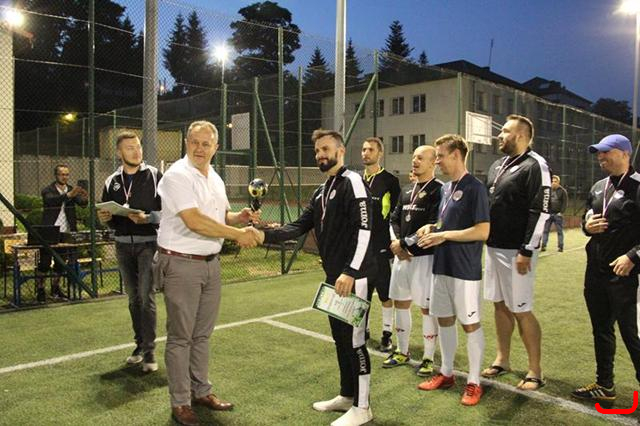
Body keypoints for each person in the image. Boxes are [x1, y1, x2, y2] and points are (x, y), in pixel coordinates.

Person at [254, 129, 376, 426]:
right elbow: (298, 226)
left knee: (355, 342)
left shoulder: (353, 182)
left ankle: (363, 408)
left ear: (340, 151)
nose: (321, 154)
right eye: (317, 151)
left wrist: (350, 271)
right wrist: (262, 234)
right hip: (334, 278)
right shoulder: (321, 191)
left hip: (354, 277)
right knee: (340, 339)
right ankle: (347, 395)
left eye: (326, 149)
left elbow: (364, 231)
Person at [154, 121, 260, 426]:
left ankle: (201, 392)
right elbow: (195, 221)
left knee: (202, 334)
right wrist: (238, 234)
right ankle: (180, 402)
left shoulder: (214, 176)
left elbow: (219, 215)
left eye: (206, 144)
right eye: (194, 142)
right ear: (186, 143)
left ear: (216, 147)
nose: (199, 149)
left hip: (210, 264)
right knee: (181, 337)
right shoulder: (176, 175)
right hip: (181, 263)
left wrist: (238, 217)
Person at [415, 134, 490, 406]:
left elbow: (482, 231)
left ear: (456, 155)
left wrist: (444, 235)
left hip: (464, 270)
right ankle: (446, 373)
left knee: (470, 324)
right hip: (441, 266)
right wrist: (432, 227)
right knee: (444, 320)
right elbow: (446, 223)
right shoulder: (446, 188)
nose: (437, 161)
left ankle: (474, 382)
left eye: (441, 156)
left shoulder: (476, 188)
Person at [482, 114, 551, 391]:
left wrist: (527, 249)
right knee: (499, 305)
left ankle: (535, 371)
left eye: (505, 131)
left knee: (521, 309)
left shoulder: (535, 165)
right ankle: (503, 359)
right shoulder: (497, 165)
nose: (499, 135)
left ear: (520, 135)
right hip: (493, 247)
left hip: (517, 252)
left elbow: (541, 210)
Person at [571, 134, 640, 402]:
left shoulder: (638, 186)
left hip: (626, 275)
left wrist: (632, 256)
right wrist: (586, 227)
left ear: (624, 154)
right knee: (601, 329)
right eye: (598, 153)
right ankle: (605, 385)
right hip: (596, 273)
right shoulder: (599, 187)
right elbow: (586, 219)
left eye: (606, 152)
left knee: (632, 335)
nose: (600, 157)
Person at [97, 131, 162, 373]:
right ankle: (139, 345)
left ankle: (150, 351)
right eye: (130, 148)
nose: (136, 152)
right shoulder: (111, 181)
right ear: (119, 152)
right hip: (122, 245)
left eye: (138, 147)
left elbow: (169, 212)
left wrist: (148, 218)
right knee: (133, 299)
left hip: (148, 244)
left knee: (146, 297)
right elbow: (107, 217)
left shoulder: (155, 176)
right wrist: (105, 219)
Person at [383, 145, 442, 378]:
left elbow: (433, 224)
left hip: (424, 258)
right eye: (414, 157)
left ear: (433, 162)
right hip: (402, 257)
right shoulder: (407, 190)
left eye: (420, 158)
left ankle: (428, 357)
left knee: (427, 309)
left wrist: (404, 245)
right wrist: (396, 243)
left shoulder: (439, 190)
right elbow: (394, 219)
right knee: (401, 303)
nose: (414, 161)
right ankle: (402, 351)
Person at [361, 137, 400, 352]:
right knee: (362, 294)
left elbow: (395, 215)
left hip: (381, 247)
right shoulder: (356, 180)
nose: (366, 153)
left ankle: (387, 334)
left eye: (371, 150)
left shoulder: (390, 181)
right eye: (364, 149)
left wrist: (395, 240)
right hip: (361, 249)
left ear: (380, 153)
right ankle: (362, 330)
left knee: (385, 293)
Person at [36, 164, 88, 302]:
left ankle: (55, 288)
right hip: (50, 230)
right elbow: (50, 201)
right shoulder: (48, 190)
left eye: (67, 174)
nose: (65, 177)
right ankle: (40, 289)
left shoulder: (71, 189)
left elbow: (82, 204)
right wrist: (68, 195)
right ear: (56, 175)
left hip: (65, 231)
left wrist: (84, 196)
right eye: (62, 174)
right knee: (45, 263)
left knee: (60, 262)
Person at [541, 175, 568, 252]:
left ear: (558, 182)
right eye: (552, 181)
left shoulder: (563, 191)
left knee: (559, 231)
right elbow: (545, 201)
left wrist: (561, 212)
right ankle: (543, 245)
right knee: (545, 231)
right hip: (548, 214)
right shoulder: (548, 190)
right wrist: (545, 211)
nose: (553, 183)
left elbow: (565, 203)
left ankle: (560, 246)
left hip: (557, 215)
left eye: (555, 181)